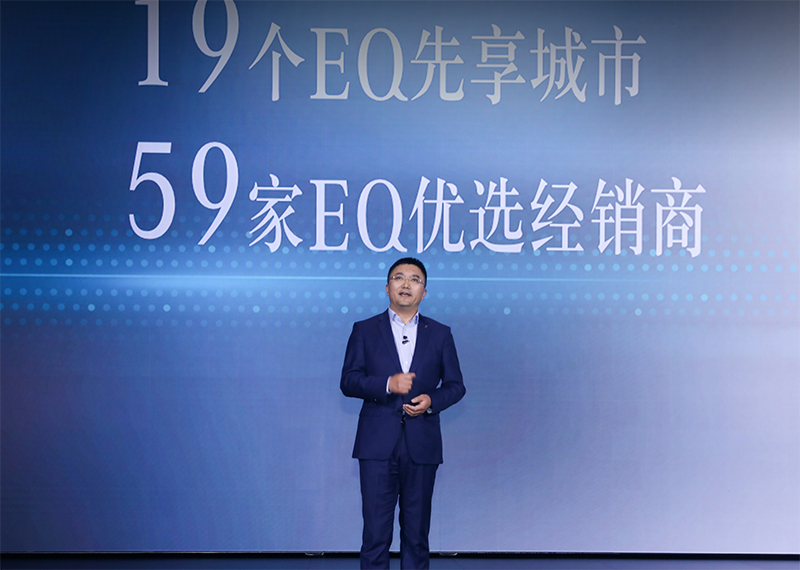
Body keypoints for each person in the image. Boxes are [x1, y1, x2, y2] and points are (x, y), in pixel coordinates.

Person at [340, 257, 466, 570]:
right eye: (399, 277)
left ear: (424, 292)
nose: (406, 284)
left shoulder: (440, 333)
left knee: (416, 535)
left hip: (422, 444)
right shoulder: (364, 330)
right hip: (376, 445)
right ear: (387, 288)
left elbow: (456, 386)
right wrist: (387, 384)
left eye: (415, 279)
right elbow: (349, 381)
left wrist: (431, 400)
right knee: (375, 535)